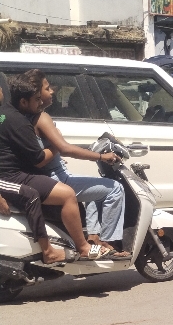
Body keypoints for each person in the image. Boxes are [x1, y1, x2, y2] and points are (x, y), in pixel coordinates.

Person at [0, 73, 98, 261]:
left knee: (67, 193)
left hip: (17, 173)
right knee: (31, 195)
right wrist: (56, 144)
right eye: (37, 99)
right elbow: (38, 158)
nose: (41, 103)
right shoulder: (17, 121)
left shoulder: (7, 114)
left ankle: (79, 244)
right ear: (23, 102)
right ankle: (49, 252)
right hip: (7, 177)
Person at [35, 74, 129, 257]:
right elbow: (65, 148)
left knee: (94, 188)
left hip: (53, 173)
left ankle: (93, 235)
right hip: (57, 178)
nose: (52, 91)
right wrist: (101, 156)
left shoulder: (25, 117)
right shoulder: (41, 117)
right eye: (47, 89)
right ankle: (108, 243)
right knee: (115, 189)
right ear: (36, 95)